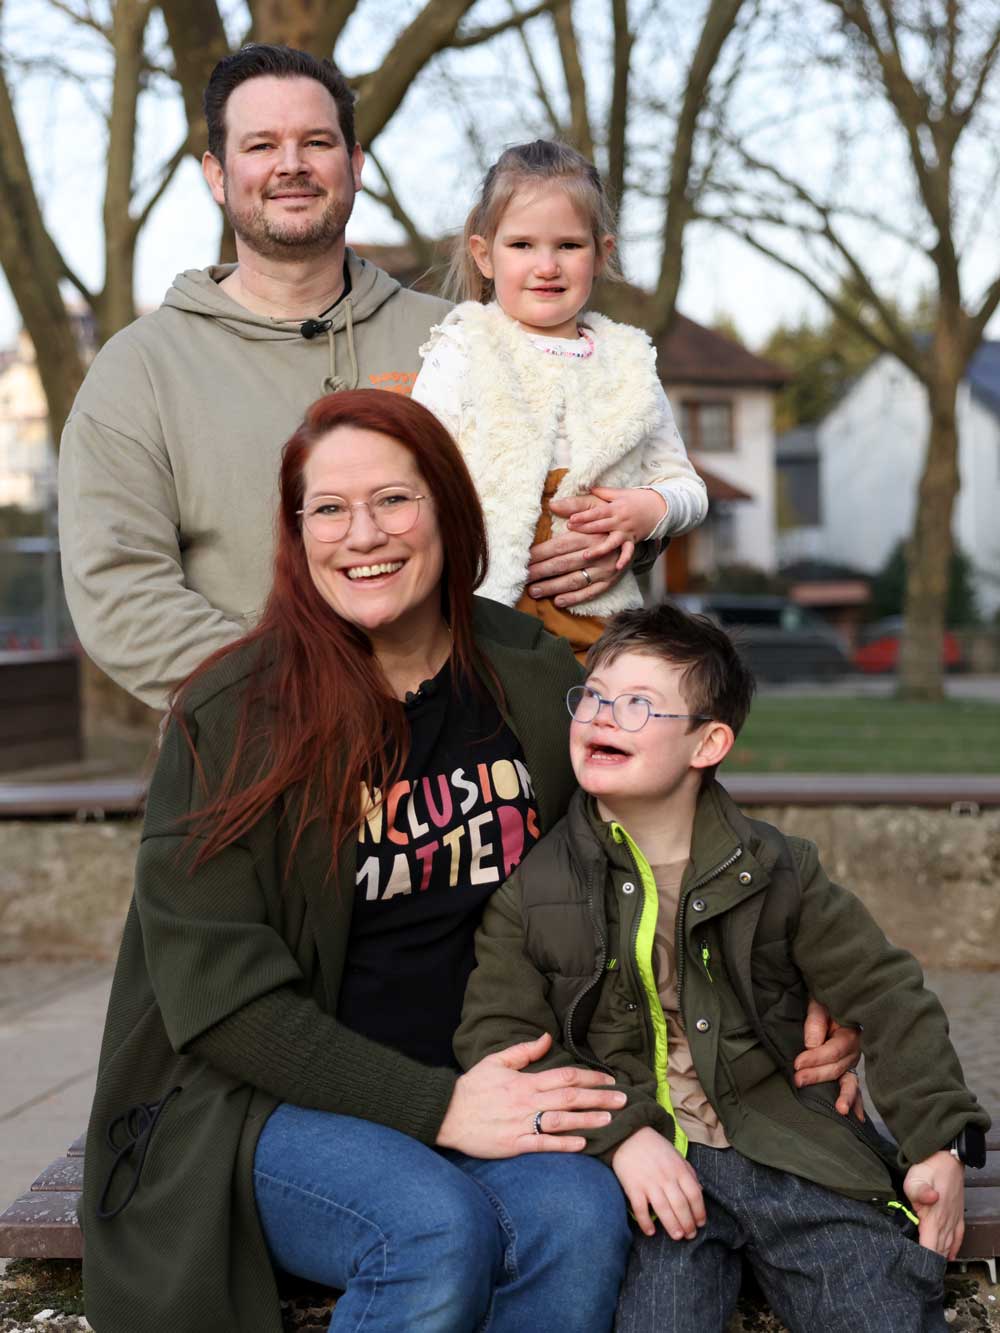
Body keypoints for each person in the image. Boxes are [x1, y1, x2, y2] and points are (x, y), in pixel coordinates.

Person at [81, 389, 633, 1333]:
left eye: (393, 499)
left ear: (448, 511)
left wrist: (802, 982)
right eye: (327, 508)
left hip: (484, 1078)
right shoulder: (234, 713)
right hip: (258, 1103)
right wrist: (437, 1107)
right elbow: (220, 999)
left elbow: (667, 833)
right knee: (427, 1225)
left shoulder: (533, 673)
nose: (360, 533)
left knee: (579, 1214)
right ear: (296, 535)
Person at [455, 603, 990, 1333]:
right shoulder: (533, 889)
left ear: (708, 742)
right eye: (597, 696)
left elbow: (887, 993)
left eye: (640, 704)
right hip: (652, 1173)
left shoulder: (776, 870)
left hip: (789, 1147)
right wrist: (621, 1137)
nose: (605, 716)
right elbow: (503, 1036)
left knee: (878, 1302)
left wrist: (939, 1141)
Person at [57, 49, 606, 710]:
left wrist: (621, 538)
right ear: (216, 174)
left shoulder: (473, 338)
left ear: (355, 164)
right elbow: (122, 592)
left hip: (477, 754)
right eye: (261, 145)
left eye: (316, 142)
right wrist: (303, 698)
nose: (290, 164)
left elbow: (586, 481)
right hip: (260, 771)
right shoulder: (138, 371)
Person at [413, 139, 708, 657]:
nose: (546, 266)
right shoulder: (463, 346)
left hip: (597, 624)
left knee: (586, 726)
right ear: (484, 254)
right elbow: (417, 470)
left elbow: (687, 487)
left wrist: (650, 507)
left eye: (568, 246)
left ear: (601, 254)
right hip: (482, 617)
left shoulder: (629, 363)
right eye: (522, 245)